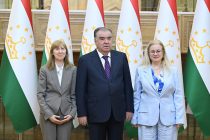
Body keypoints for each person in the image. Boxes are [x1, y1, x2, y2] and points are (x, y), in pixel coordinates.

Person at [76, 27, 134, 140]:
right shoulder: (85, 60)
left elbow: (127, 85)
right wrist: (81, 113)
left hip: (118, 112)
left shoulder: (121, 57)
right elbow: (80, 90)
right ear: (95, 41)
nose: (106, 41)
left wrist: (129, 108)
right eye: (102, 39)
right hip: (95, 113)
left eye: (109, 38)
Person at [131, 40, 185, 140]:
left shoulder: (173, 70)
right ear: (148, 54)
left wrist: (179, 118)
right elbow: (137, 95)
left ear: (163, 53)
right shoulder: (141, 70)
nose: (155, 54)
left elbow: (178, 95)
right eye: (152, 51)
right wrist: (135, 117)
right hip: (146, 117)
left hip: (169, 117)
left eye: (158, 51)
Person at [37, 40, 77, 140]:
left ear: (66, 52)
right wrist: (49, 115)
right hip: (48, 114)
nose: (60, 51)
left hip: (66, 114)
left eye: (62, 48)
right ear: (52, 52)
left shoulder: (73, 70)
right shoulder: (44, 69)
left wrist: (72, 114)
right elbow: (40, 94)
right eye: (57, 49)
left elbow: (74, 94)